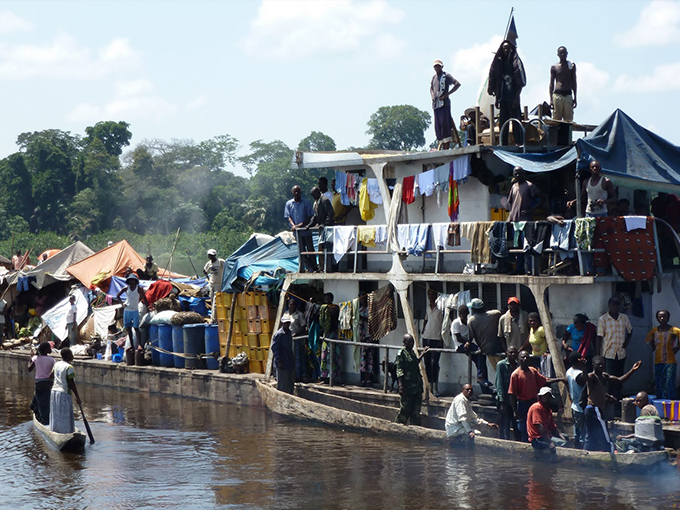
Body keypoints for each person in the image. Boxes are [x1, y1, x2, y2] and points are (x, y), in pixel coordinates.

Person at [583, 355, 641, 452]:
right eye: (598, 365)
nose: (601, 367)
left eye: (602, 365)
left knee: (591, 435)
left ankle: (586, 453)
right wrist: (583, 368)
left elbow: (619, 380)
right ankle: (610, 451)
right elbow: (585, 378)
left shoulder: (604, 376)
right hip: (594, 409)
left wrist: (632, 370)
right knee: (604, 431)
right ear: (593, 365)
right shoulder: (592, 376)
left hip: (593, 410)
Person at [508, 350, 566, 442]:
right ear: (518, 360)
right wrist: (515, 411)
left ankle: (539, 444)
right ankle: (524, 446)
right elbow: (512, 394)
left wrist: (559, 379)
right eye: (522, 357)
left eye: (527, 356)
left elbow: (545, 380)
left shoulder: (533, 371)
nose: (525, 359)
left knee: (536, 424)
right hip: (523, 403)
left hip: (533, 402)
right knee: (524, 427)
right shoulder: (515, 375)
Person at [488, 40, 526, 146]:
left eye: (508, 48)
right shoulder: (499, 63)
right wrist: (497, 98)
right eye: (504, 48)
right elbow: (495, 81)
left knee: (516, 121)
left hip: (513, 97)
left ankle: (519, 142)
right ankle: (503, 143)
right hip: (503, 98)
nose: (506, 50)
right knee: (503, 122)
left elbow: (520, 83)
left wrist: (516, 99)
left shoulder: (515, 62)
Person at [505, 167, 542, 274]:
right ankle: (519, 268)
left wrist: (530, 209)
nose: (517, 176)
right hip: (515, 221)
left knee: (527, 245)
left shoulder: (529, 185)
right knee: (517, 246)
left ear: (523, 174)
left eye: (519, 174)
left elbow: (540, 198)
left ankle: (529, 269)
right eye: (515, 174)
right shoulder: (513, 187)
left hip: (526, 221)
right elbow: (511, 204)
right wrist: (509, 218)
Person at [596, 296, 633, 402]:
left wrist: (626, 342)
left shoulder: (624, 318)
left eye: (617, 306)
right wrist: (598, 355)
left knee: (620, 377)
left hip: (621, 353)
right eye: (613, 305)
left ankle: (617, 400)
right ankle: (609, 399)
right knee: (609, 379)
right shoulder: (603, 319)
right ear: (609, 306)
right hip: (608, 353)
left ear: (619, 307)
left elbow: (630, 331)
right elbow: (599, 337)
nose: (615, 308)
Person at [467, 298, 503, 386]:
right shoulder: (495, 314)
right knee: (502, 371)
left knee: (499, 372)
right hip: (500, 347)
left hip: (486, 349)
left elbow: (471, 337)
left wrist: (467, 343)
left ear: (474, 309)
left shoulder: (472, 320)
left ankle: (483, 379)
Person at [645, 309, 680, 399]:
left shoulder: (675, 330)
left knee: (669, 383)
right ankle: (660, 403)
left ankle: (671, 403)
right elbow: (648, 340)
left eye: (664, 316)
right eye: (659, 317)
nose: (662, 318)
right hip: (658, 361)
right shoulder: (654, 331)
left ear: (668, 318)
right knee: (659, 383)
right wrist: (653, 346)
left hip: (670, 362)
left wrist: (676, 348)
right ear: (657, 318)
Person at [395, 334, 429, 426]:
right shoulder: (402, 353)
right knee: (405, 409)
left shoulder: (412, 352)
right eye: (409, 341)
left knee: (416, 410)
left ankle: (415, 427)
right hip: (407, 387)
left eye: (412, 341)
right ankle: (399, 426)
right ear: (404, 342)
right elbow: (399, 370)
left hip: (416, 387)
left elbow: (415, 363)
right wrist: (401, 386)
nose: (411, 343)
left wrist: (422, 354)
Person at [451, 303, 487, 389]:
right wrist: (467, 343)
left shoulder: (469, 322)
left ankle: (484, 386)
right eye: (461, 314)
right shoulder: (456, 323)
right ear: (459, 314)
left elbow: (471, 335)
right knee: (479, 354)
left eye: (465, 314)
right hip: (460, 346)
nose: (463, 316)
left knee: (481, 362)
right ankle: (480, 376)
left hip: (468, 345)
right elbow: (458, 338)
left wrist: (469, 342)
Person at [49, 348, 82, 434]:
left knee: (57, 414)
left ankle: (56, 430)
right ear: (67, 356)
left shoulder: (57, 364)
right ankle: (66, 433)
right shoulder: (69, 367)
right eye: (71, 354)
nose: (72, 356)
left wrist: (58, 379)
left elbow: (50, 376)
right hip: (64, 393)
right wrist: (78, 397)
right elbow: (72, 384)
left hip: (54, 392)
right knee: (65, 415)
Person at [285, 185, 317, 272]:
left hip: (305, 231)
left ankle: (315, 267)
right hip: (297, 233)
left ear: (300, 193)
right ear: (292, 193)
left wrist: (300, 225)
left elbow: (310, 216)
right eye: (294, 191)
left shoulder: (306, 203)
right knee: (301, 251)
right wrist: (293, 226)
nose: (296, 193)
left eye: (298, 191)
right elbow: (288, 217)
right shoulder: (289, 204)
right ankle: (310, 267)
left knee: (310, 249)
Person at [430, 59, 461, 150]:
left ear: (442, 66)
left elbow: (457, 84)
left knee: (445, 126)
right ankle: (441, 145)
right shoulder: (434, 78)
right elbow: (431, 88)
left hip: (444, 104)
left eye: (439, 66)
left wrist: (447, 94)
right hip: (436, 105)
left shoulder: (446, 76)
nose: (437, 68)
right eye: (436, 66)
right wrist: (432, 96)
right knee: (438, 127)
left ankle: (446, 148)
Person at [305, 186, 335, 271]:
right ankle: (322, 267)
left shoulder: (324, 200)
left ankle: (328, 268)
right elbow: (315, 216)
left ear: (318, 192)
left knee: (327, 247)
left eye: (314, 195)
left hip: (327, 229)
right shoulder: (317, 202)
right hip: (321, 229)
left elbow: (331, 213)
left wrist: (325, 224)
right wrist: (310, 225)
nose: (313, 197)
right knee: (321, 248)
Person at [116, 274, 148, 351]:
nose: (132, 281)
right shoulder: (126, 288)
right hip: (127, 310)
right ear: (129, 281)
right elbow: (118, 295)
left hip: (135, 310)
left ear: (135, 281)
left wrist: (147, 307)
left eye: (133, 280)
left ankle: (139, 345)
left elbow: (145, 298)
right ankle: (132, 346)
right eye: (130, 280)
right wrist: (122, 304)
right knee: (128, 328)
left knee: (136, 328)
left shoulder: (139, 289)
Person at [495, 345, 520, 440]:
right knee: (504, 425)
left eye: (515, 352)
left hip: (515, 400)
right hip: (505, 400)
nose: (513, 354)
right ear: (506, 354)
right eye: (511, 352)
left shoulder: (518, 365)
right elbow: (499, 383)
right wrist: (501, 401)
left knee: (516, 425)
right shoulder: (501, 365)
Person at [422, 288, 444, 397]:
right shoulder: (427, 307)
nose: (430, 296)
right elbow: (426, 320)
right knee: (426, 363)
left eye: (432, 294)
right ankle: (429, 387)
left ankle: (436, 387)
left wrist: (442, 338)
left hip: (437, 338)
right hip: (426, 337)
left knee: (434, 363)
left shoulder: (441, 308)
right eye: (429, 294)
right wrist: (423, 329)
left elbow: (445, 323)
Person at [28, 341, 56, 425]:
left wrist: (30, 358)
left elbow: (29, 369)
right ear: (47, 350)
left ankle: (43, 419)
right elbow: (54, 372)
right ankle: (43, 416)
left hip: (39, 383)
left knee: (41, 400)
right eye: (49, 348)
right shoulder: (52, 360)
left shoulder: (36, 358)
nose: (50, 349)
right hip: (49, 383)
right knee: (46, 400)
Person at [549, 46, 577, 122]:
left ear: (567, 54)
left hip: (568, 95)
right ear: (558, 54)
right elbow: (551, 84)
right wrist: (551, 100)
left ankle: (567, 134)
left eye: (564, 53)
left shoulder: (571, 66)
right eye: (561, 53)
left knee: (568, 120)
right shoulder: (554, 67)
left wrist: (575, 97)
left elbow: (574, 81)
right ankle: (556, 134)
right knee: (556, 121)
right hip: (557, 95)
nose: (563, 55)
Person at [566, 351, 587, 448]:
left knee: (577, 432)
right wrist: (584, 368)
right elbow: (587, 382)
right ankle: (582, 452)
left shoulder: (569, 371)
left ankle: (576, 449)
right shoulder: (579, 375)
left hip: (574, 406)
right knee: (583, 433)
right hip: (581, 407)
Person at [271, 314, 295, 394]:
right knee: (282, 383)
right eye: (286, 323)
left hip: (289, 360)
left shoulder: (289, 333)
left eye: (288, 323)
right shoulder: (279, 334)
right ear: (282, 324)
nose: (287, 324)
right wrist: (278, 361)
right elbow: (275, 348)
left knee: (290, 383)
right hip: (282, 361)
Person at [287, 299, 308, 382]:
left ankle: (299, 376)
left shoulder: (300, 314)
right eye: (290, 305)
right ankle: (291, 375)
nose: (292, 306)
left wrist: (297, 334)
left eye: (293, 305)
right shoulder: (285, 314)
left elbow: (304, 327)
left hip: (297, 339)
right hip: (288, 339)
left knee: (298, 357)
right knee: (290, 358)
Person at [204, 249, 225, 323]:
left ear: (215, 255)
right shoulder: (209, 263)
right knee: (212, 302)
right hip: (211, 285)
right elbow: (205, 271)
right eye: (210, 255)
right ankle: (216, 317)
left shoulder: (220, 262)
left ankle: (213, 320)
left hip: (219, 285)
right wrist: (208, 279)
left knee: (216, 303)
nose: (211, 257)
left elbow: (227, 268)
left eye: (212, 255)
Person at [527, 312, 552, 376]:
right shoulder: (532, 329)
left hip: (543, 358)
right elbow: (527, 341)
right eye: (530, 321)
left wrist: (548, 352)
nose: (532, 323)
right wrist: (519, 350)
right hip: (534, 357)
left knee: (543, 375)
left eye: (534, 321)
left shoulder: (541, 330)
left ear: (538, 321)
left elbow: (549, 340)